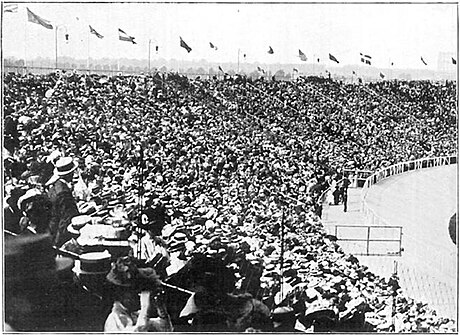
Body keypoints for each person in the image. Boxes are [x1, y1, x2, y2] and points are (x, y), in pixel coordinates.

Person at [104, 256, 173, 332]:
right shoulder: (114, 319)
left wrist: (161, 308)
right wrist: (145, 307)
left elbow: (166, 329)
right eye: (131, 291)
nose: (136, 294)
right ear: (120, 293)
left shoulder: (134, 315)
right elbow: (138, 331)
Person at [46, 157, 80, 246]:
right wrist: (59, 242)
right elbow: (66, 219)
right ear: (69, 174)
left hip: (52, 229)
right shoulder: (64, 193)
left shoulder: (55, 186)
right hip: (60, 234)